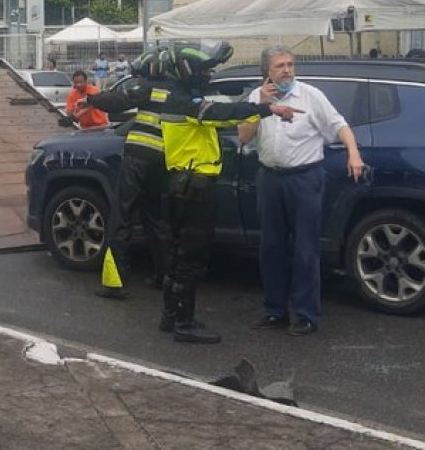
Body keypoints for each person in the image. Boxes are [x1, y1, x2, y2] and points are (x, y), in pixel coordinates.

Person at [154, 43, 297, 344]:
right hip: (194, 187)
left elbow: (222, 115)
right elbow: (223, 114)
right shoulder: (185, 102)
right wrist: (266, 108)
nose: (209, 75)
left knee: (177, 253)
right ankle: (184, 323)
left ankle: (171, 316)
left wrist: (259, 105)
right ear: (188, 72)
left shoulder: (177, 98)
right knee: (191, 256)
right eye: (204, 70)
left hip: (181, 184)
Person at [238, 46, 366, 337]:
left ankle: (306, 314)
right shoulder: (257, 97)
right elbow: (244, 137)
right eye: (280, 66)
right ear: (267, 72)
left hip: (304, 179)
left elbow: (340, 125)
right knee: (271, 248)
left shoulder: (310, 95)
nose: (287, 70)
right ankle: (275, 311)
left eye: (290, 64)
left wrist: (353, 153)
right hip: (270, 178)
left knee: (305, 249)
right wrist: (261, 105)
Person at [82, 51, 173, 299]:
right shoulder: (177, 91)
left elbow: (118, 101)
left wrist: (91, 98)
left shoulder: (148, 88)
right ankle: (164, 275)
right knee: (156, 220)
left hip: (137, 160)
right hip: (161, 162)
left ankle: (115, 282)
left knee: (121, 217)